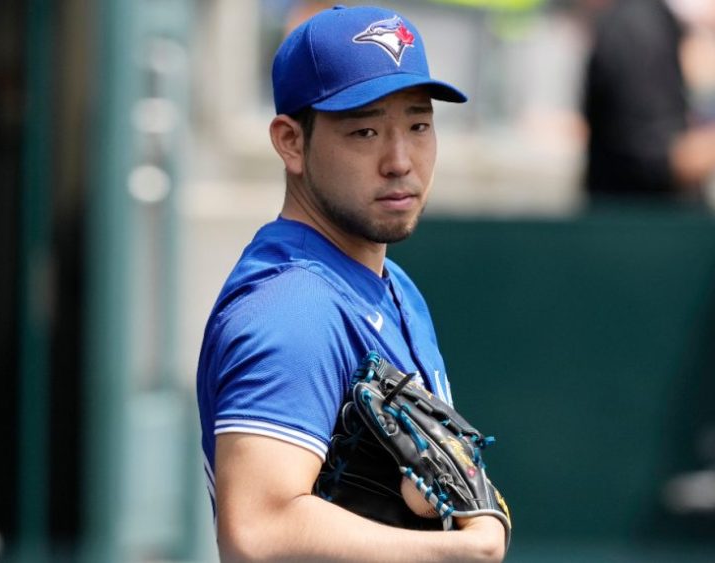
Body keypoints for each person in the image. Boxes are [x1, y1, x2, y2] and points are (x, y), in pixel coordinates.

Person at [195, 5, 508, 562]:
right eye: (364, 130)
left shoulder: (394, 287)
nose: (399, 160)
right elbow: (257, 532)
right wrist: (464, 551)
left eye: (418, 125)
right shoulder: (291, 307)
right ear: (291, 142)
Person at [582, 0, 715, 199]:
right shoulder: (639, 26)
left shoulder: (671, 28)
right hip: (635, 219)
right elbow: (662, 162)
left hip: (653, 215)